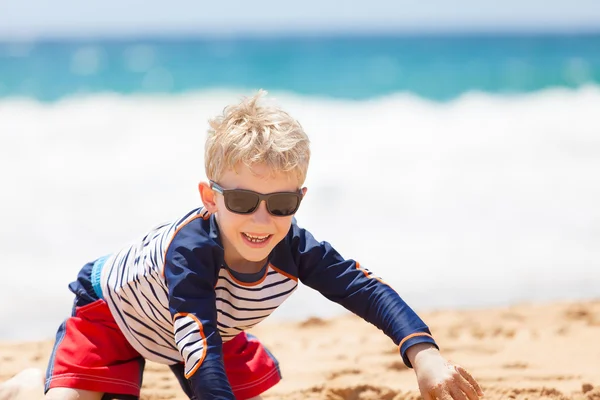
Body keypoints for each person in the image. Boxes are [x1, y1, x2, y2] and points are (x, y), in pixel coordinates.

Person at [0, 90, 484, 400]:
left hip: (205, 329)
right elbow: (198, 348)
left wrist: (427, 358)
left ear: (300, 198)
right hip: (117, 313)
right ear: (210, 198)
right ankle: (28, 386)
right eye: (243, 199)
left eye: (281, 202)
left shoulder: (295, 246)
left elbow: (367, 290)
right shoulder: (190, 254)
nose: (262, 219)